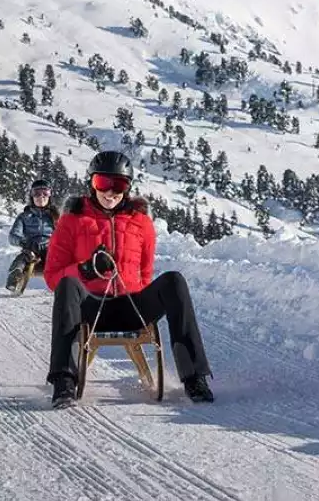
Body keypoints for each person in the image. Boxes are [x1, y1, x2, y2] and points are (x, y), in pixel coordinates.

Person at [43, 150, 214, 408]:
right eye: (103, 183)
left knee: (173, 281)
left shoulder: (141, 222)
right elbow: (52, 277)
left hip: (132, 307)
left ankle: (194, 378)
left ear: (128, 187)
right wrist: (86, 269)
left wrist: (142, 300)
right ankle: (64, 381)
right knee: (67, 285)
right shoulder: (72, 220)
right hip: (90, 308)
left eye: (119, 185)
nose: (110, 192)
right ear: (91, 183)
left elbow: (146, 274)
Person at [5, 178, 59, 294]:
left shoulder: (55, 216)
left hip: (50, 250)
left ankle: (66, 285)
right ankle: (14, 279)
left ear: (50, 196)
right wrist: (24, 242)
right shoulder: (24, 217)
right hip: (31, 249)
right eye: (37, 193)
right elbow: (13, 236)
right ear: (32, 196)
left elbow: (64, 234)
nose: (41, 197)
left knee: (61, 258)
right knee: (24, 257)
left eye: (45, 193)